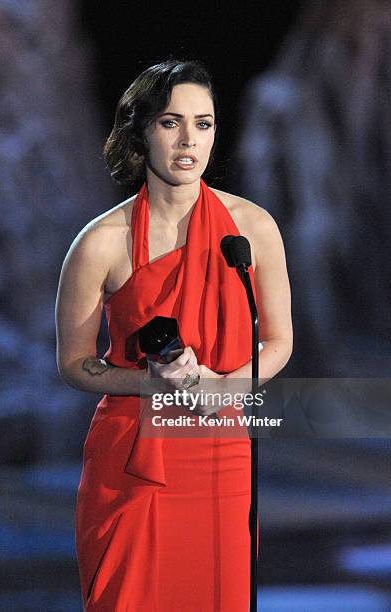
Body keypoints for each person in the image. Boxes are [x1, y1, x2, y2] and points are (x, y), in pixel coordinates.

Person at [55, 59, 292, 611]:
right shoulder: (101, 243)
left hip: (222, 457)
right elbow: (74, 363)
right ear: (141, 130)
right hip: (134, 458)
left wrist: (222, 389)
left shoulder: (252, 228)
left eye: (203, 123)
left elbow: (277, 341)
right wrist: (150, 383)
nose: (189, 140)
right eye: (170, 122)